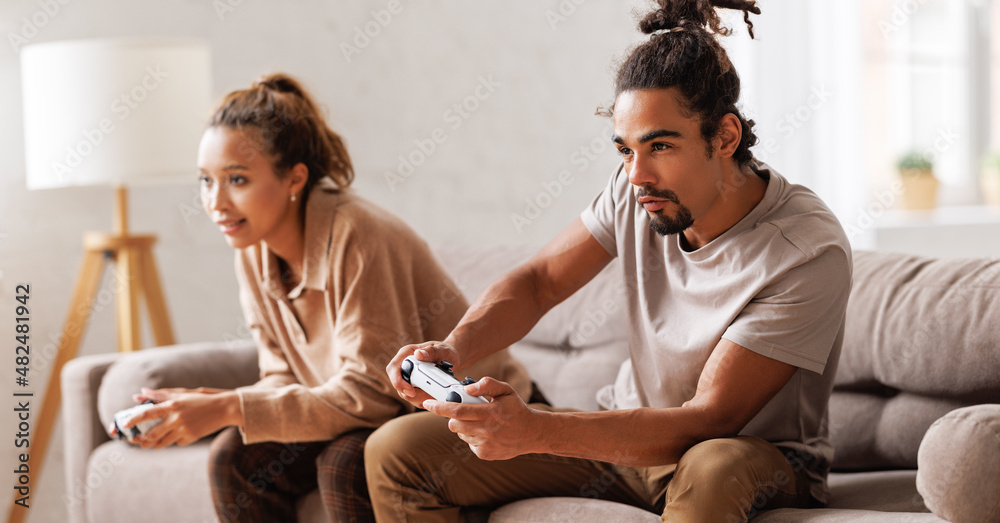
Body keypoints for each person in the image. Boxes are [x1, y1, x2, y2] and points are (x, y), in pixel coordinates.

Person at [365, 1, 853, 522]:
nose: (636, 174)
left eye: (660, 145)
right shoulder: (639, 189)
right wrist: (452, 350)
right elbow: (538, 282)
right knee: (398, 451)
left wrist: (534, 430)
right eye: (624, 149)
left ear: (725, 137)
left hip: (744, 455)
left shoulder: (805, 250)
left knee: (712, 465)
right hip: (630, 441)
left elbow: (709, 420)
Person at [111, 73, 532, 523]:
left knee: (345, 464)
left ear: (294, 178)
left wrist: (229, 406)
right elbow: (281, 375)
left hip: (456, 410)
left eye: (236, 179)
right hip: (370, 412)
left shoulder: (358, 235)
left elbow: (370, 395)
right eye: (206, 181)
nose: (216, 202)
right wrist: (214, 403)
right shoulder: (253, 248)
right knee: (235, 457)